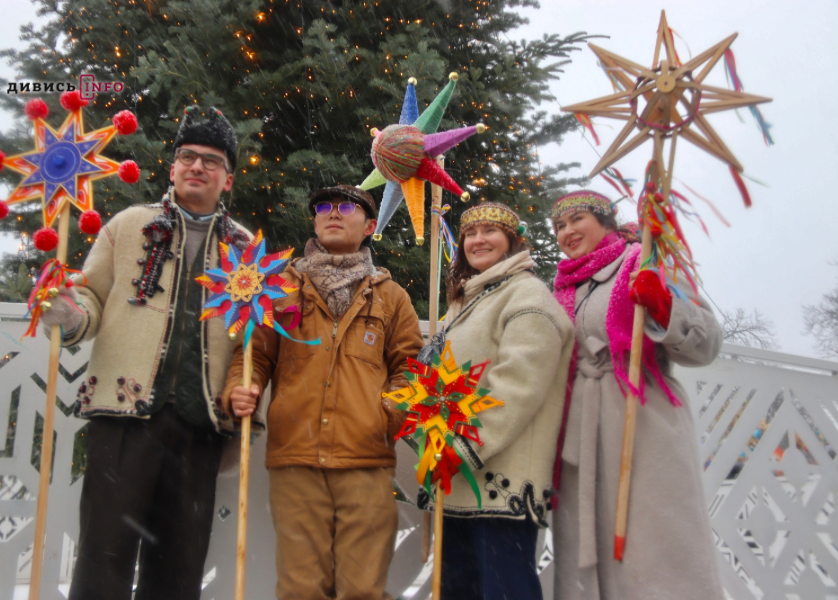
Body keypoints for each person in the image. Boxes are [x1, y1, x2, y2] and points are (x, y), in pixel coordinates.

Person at [37, 106, 256, 600]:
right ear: (173, 167)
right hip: (122, 419)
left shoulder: (246, 249)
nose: (197, 166)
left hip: (199, 427)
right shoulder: (128, 225)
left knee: (180, 566)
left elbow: (254, 340)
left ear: (228, 179)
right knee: (104, 557)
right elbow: (91, 297)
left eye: (212, 161)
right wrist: (69, 313)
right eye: (188, 156)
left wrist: (245, 406)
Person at [224, 184, 424, 600]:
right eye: (324, 207)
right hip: (295, 457)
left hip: (366, 460)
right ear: (314, 220)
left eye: (347, 206)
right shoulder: (277, 286)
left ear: (369, 225)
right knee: (300, 586)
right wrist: (243, 387)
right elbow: (253, 355)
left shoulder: (391, 297)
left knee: (363, 586)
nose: (334, 212)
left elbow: (410, 369)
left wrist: (385, 412)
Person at [550, 190, 725, 600]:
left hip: (641, 422)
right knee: (584, 550)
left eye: (578, 219)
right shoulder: (561, 288)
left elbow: (707, 344)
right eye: (559, 226)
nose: (567, 231)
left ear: (607, 222)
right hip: (579, 432)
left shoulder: (644, 263)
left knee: (655, 544)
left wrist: (664, 304)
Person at [430, 202, 574, 600]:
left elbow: (517, 385)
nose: (478, 240)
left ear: (512, 241)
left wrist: (464, 445)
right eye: (470, 234)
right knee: (458, 589)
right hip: (459, 478)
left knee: (504, 590)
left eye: (490, 231)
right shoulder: (466, 301)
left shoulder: (527, 296)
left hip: (501, 483)